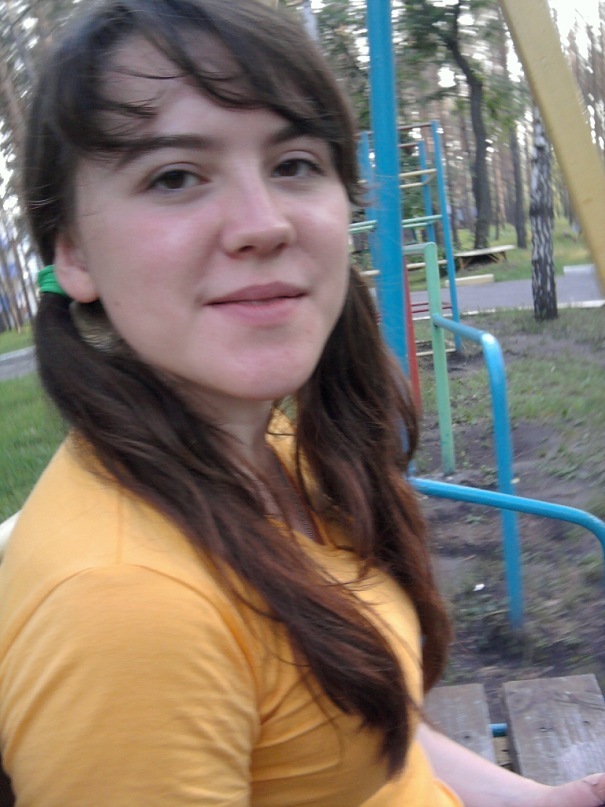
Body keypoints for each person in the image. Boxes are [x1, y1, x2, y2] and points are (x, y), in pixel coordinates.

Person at [0, 1, 603, 805]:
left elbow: (349, 734)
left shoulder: (266, 447)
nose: (263, 224)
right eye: (174, 176)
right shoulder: (124, 610)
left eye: (293, 164)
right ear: (72, 252)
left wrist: (541, 800)